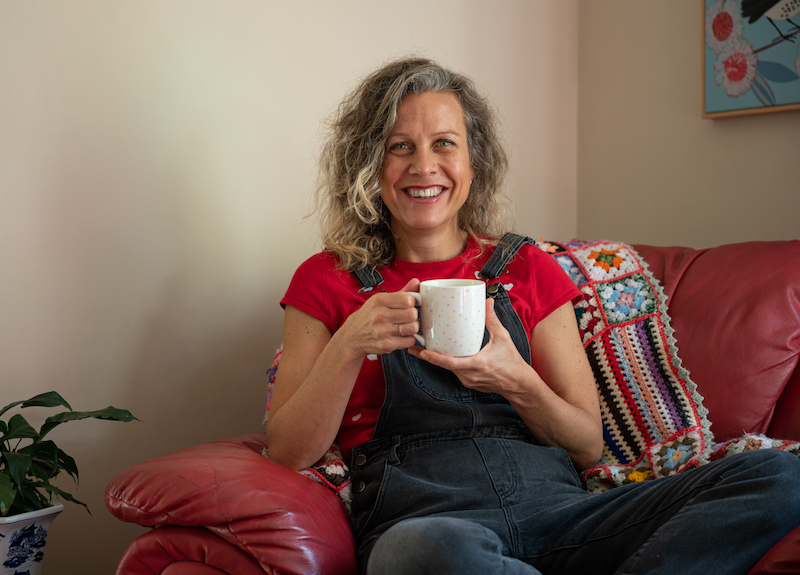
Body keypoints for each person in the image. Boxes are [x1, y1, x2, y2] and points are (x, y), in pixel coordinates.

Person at [265, 57, 800, 575]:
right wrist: (351, 342)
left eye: (444, 144)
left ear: (474, 161)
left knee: (780, 475)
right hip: (432, 525)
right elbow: (289, 450)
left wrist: (518, 382)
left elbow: (587, 443)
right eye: (398, 147)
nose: (423, 166)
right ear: (370, 164)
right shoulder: (327, 278)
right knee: (414, 554)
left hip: (567, 519)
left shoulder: (528, 266)